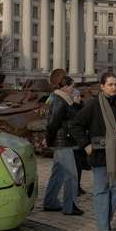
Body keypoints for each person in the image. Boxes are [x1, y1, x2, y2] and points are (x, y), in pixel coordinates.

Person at [71, 72, 116, 231]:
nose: (114, 88)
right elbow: (75, 125)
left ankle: (104, 219)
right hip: (100, 154)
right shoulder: (93, 105)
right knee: (101, 190)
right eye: (110, 85)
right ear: (102, 86)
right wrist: (86, 145)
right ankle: (103, 227)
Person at [42, 76, 84, 216]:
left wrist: (77, 105)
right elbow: (52, 123)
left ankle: (50, 202)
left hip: (62, 141)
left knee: (58, 173)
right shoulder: (60, 100)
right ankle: (69, 206)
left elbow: (71, 116)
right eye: (72, 86)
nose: (73, 89)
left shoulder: (64, 100)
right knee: (72, 174)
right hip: (62, 142)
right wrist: (48, 140)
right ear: (65, 87)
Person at [72, 88, 89, 196]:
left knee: (80, 166)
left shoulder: (83, 107)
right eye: (76, 96)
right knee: (74, 166)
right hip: (74, 141)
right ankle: (75, 187)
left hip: (81, 140)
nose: (78, 98)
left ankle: (77, 186)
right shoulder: (70, 108)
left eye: (79, 96)